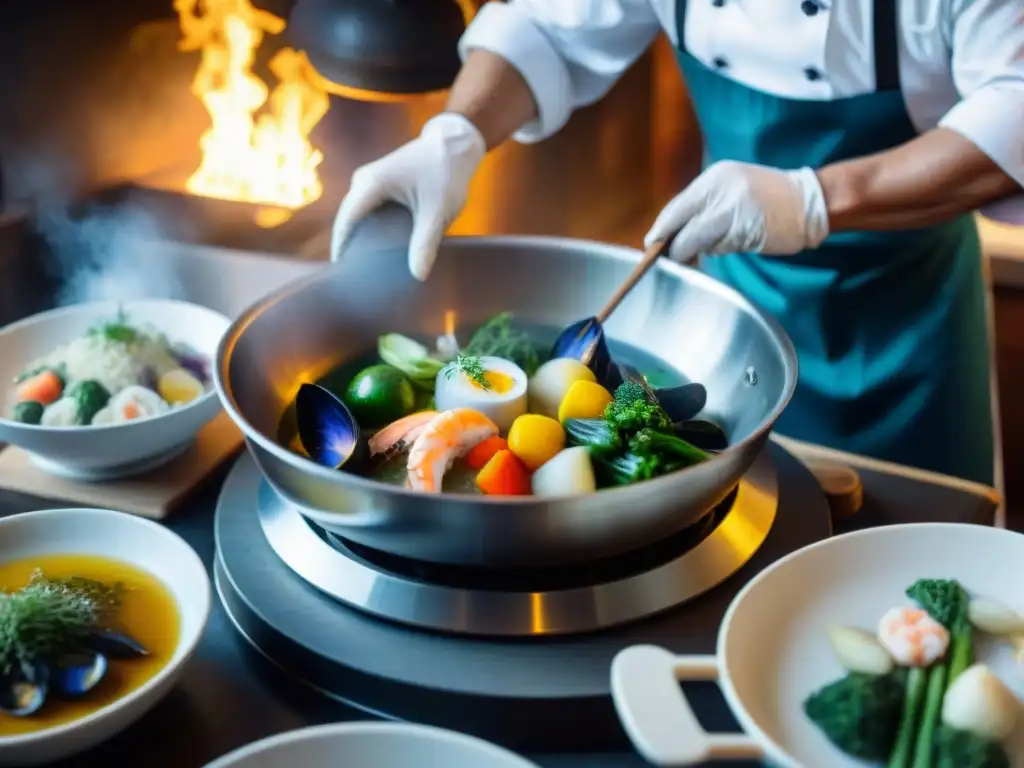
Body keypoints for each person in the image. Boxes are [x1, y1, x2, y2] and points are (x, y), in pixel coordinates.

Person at [330, 0, 1024, 485]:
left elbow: (1015, 110)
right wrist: (455, 135)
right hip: (732, 295)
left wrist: (813, 199)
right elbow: (548, 25)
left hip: (910, 320)